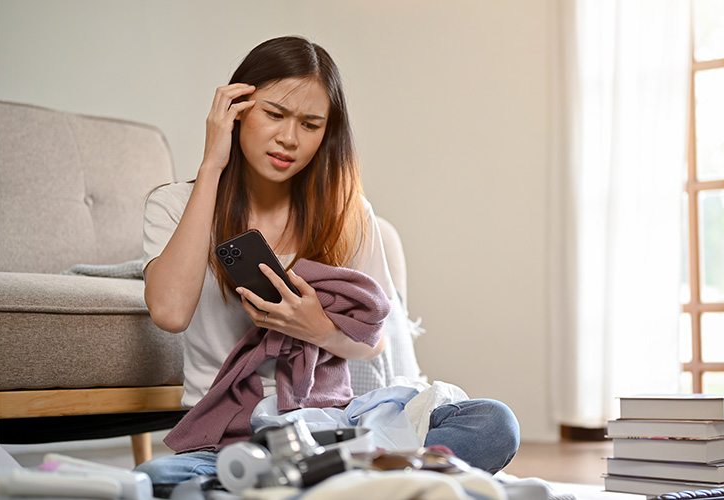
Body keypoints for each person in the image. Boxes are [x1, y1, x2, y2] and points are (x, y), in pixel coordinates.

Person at [136, 36, 520, 485]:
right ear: (236, 108)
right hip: (230, 439)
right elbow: (169, 311)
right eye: (274, 114)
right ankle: (351, 485)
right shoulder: (175, 204)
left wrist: (315, 327)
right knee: (157, 477)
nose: (289, 138)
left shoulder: (348, 214)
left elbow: (371, 341)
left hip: (333, 427)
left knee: (494, 423)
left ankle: (315, 482)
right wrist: (211, 165)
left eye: (310, 124)